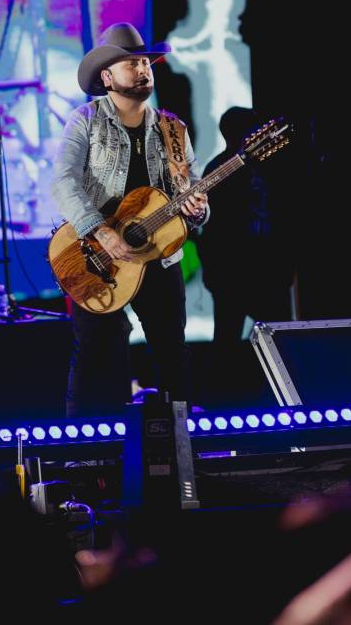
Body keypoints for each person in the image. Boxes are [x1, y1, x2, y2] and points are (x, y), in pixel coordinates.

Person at [51, 22, 208, 415]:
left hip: (160, 257)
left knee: (173, 354)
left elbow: (190, 186)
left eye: (145, 63)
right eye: (131, 64)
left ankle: (180, 439)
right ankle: (82, 444)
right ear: (107, 77)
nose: (142, 70)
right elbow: (63, 182)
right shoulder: (85, 121)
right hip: (97, 256)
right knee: (94, 352)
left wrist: (198, 209)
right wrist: (100, 231)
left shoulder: (173, 128)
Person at [196, 106, 295, 362]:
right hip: (234, 272)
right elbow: (212, 228)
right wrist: (216, 274)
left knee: (279, 339)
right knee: (228, 340)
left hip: (267, 268)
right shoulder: (219, 168)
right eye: (250, 127)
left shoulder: (268, 165)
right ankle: (225, 385)